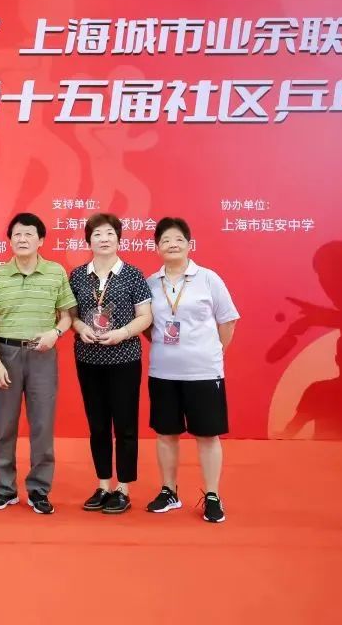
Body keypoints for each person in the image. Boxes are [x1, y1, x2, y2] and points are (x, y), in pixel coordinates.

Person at [144, 217, 239, 524]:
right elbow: (147, 324)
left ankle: (212, 495)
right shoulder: (150, 283)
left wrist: (214, 352)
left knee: (207, 435)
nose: (172, 245)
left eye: (178, 240)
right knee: (165, 434)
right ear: (157, 247)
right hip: (163, 371)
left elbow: (228, 320)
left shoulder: (208, 279)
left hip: (203, 372)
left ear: (189, 245)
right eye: (165, 240)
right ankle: (169, 491)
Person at [0, 213, 76, 515]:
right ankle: (4, 488)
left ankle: (39, 490)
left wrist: (55, 333)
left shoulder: (56, 272)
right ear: (10, 240)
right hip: (7, 354)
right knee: (5, 427)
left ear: (41, 240)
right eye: (17, 235)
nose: (22, 239)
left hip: (42, 355)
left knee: (42, 425)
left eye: (29, 234)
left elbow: (67, 316)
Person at [68, 213, 153, 514]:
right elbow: (70, 315)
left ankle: (123, 488)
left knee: (125, 425)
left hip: (124, 359)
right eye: (97, 234)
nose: (103, 239)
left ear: (118, 238)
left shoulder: (133, 275)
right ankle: (103, 484)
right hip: (88, 359)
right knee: (98, 425)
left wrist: (122, 333)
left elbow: (146, 316)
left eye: (109, 233)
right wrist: (80, 327)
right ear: (88, 240)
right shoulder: (78, 276)